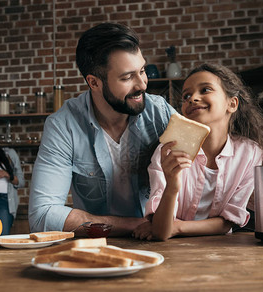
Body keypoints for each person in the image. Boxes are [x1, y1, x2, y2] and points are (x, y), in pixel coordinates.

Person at [29, 23, 176, 235]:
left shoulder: (159, 112)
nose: (142, 84)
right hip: (99, 246)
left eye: (142, 71)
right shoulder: (63, 126)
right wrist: (137, 226)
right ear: (94, 83)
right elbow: (42, 216)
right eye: (127, 77)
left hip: (164, 240)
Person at [133, 63, 263, 241]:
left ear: (232, 103)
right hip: (172, 252)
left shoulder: (250, 153)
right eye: (186, 96)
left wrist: (177, 227)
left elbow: (227, 222)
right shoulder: (167, 151)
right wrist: (172, 185)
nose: (192, 99)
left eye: (205, 89)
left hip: (222, 249)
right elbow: (161, 232)